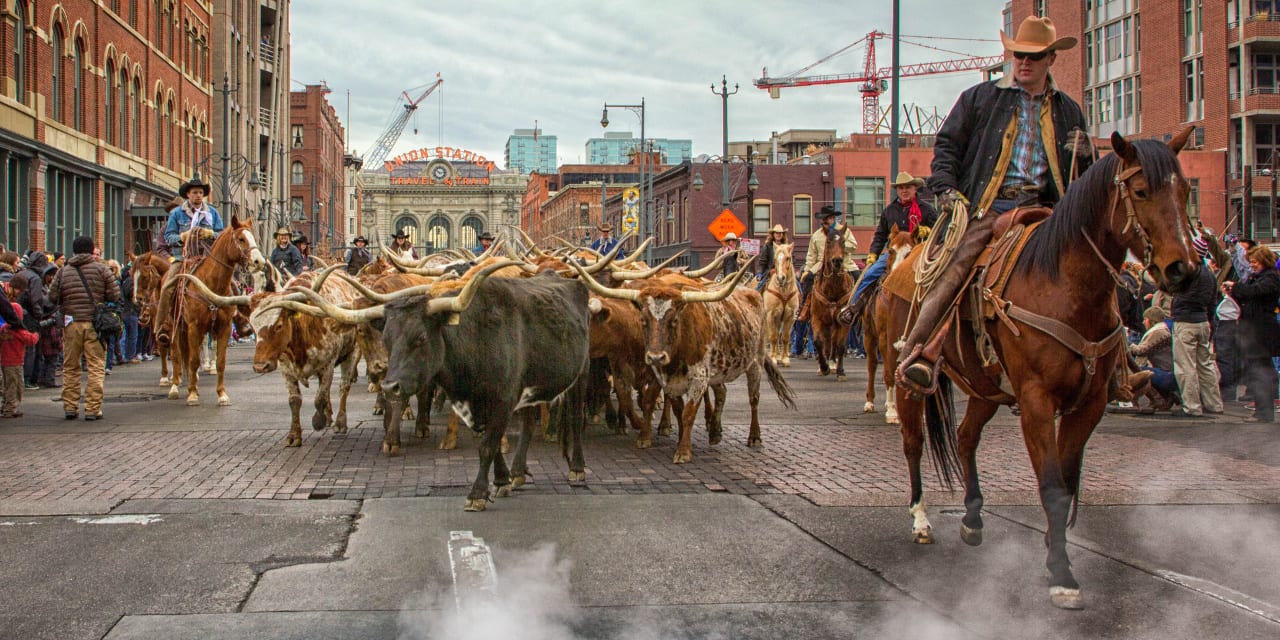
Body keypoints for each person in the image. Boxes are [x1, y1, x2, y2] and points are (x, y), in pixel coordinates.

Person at [897, 16, 1094, 391]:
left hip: (1048, 211)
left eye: (1034, 57)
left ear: (1051, 59)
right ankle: (919, 352)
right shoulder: (981, 98)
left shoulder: (1069, 111)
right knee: (955, 270)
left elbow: (1083, 178)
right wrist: (947, 189)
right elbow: (947, 148)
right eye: (1019, 54)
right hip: (988, 208)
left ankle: (1117, 363)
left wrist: (1088, 154)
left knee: (1095, 267)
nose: (1024, 62)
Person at [840, 172, 938, 323]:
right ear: (897, 190)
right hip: (894, 253)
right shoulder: (889, 210)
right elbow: (880, 235)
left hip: (920, 253)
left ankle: (939, 312)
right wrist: (873, 254)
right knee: (869, 275)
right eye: (901, 188)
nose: (904, 191)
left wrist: (928, 231)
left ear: (915, 189)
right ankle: (853, 308)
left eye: (908, 187)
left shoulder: (927, 210)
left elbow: (940, 230)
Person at [48, 236, 120, 421]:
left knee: (71, 367)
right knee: (96, 366)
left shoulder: (63, 271)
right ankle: (92, 408)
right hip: (95, 324)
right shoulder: (101, 269)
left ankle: (70, 407)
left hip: (71, 323)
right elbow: (114, 294)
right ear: (91, 250)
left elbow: (52, 296)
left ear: (74, 250)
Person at [155, 177, 223, 346]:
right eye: (194, 193)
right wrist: (182, 237)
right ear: (188, 194)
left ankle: (237, 320)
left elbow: (222, 235)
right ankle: (162, 326)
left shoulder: (212, 213)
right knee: (167, 287)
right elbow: (168, 237)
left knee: (231, 284)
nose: (198, 196)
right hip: (183, 258)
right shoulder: (177, 213)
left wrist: (210, 234)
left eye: (200, 192)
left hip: (207, 258)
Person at [1224, 245, 1280, 422]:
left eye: (1255, 262)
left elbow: (1255, 292)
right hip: (1255, 330)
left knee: (1260, 370)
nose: (1252, 265)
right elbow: (1248, 295)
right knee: (1260, 369)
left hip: (1261, 331)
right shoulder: (1258, 278)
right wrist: (1234, 292)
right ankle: (1263, 410)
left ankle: (1264, 412)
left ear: (1264, 261)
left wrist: (1236, 288)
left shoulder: (1270, 278)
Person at [1170, 263, 1225, 417]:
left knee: (1185, 366)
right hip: (1203, 321)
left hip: (1185, 321)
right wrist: (1210, 321)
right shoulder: (1209, 275)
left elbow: (1172, 289)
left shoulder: (1187, 273)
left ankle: (1192, 407)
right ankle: (1214, 404)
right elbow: (1212, 302)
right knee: (1205, 364)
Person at [797, 206, 857, 322]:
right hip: (820, 264)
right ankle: (805, 308)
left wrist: (839, 246)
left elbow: (854, 246)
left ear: (833, 218)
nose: (824, 220)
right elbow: (811, 256)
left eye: (828, 218)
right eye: (823, 218)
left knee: (859, 278)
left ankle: (857, 309)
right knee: (808, 279)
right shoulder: (816, 235)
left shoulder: (844, 230)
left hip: (844, 262)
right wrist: (807, 270)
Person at [1129, 306, 1178, 414]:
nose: (1143, 322)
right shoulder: (1166, 327)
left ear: (1151, 320)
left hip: (1168, 374)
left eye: (1145, 319)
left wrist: (1127, 344)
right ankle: (1165, 396)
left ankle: (1159, 399)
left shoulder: (1157, 331)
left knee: (1139, 372)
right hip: (1172, 371)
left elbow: (1141, 351)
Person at [0, 296, 39, 418]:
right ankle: (10, 409)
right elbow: (31, 340)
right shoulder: (19, 331)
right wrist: (37, 334)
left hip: (4, 362)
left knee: (7, 385)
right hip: (16, 362)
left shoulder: (3, 329)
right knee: (15, 386)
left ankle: (5, 406)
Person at [756, 224, 788, 292]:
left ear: (783, 234)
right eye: (776, 233)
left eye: (780, 233)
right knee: (760, 286)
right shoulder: (767, 246)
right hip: (771, 271)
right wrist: (760, 273)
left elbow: (790, 259)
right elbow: (763, 261)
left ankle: (802, 300)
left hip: (784, 271)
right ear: (773, 234)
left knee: (797, 284)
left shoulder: (786, 246)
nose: (778, 234)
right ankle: (756, 297)